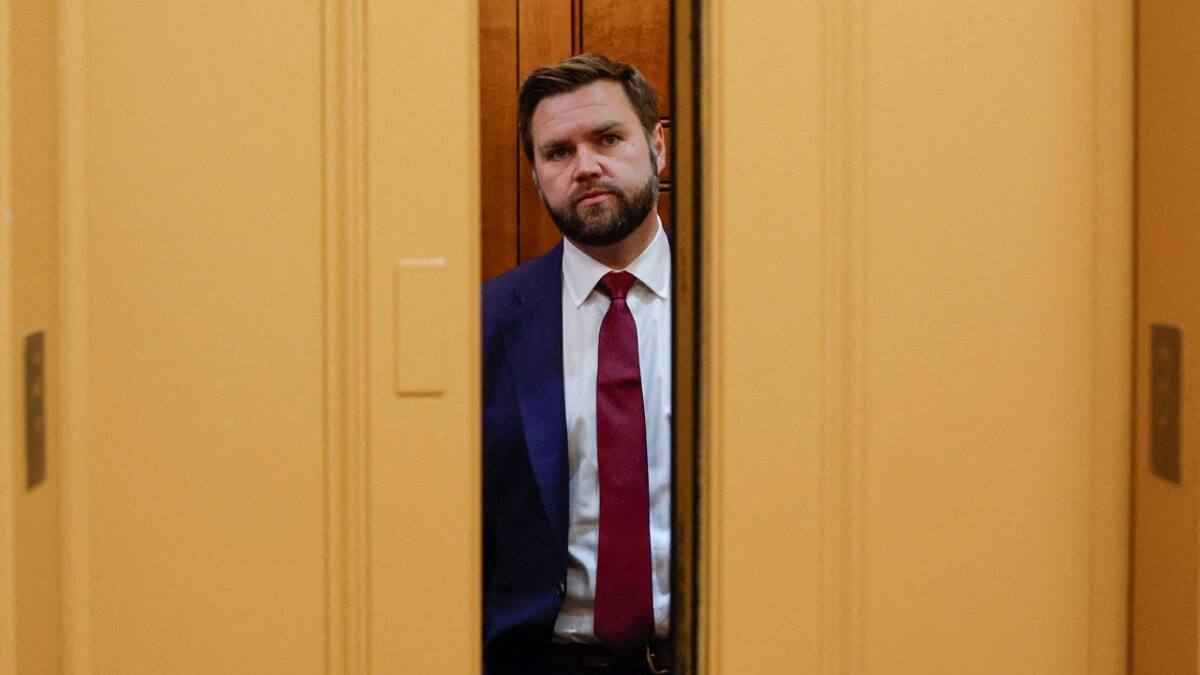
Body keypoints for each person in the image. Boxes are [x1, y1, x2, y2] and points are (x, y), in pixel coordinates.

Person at [482, 53, 672, 674]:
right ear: (536, 175)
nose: (586, 166)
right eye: (557, 152)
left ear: (657, 146)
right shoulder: (482, 324)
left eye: (609, 139)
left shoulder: (742, 308)